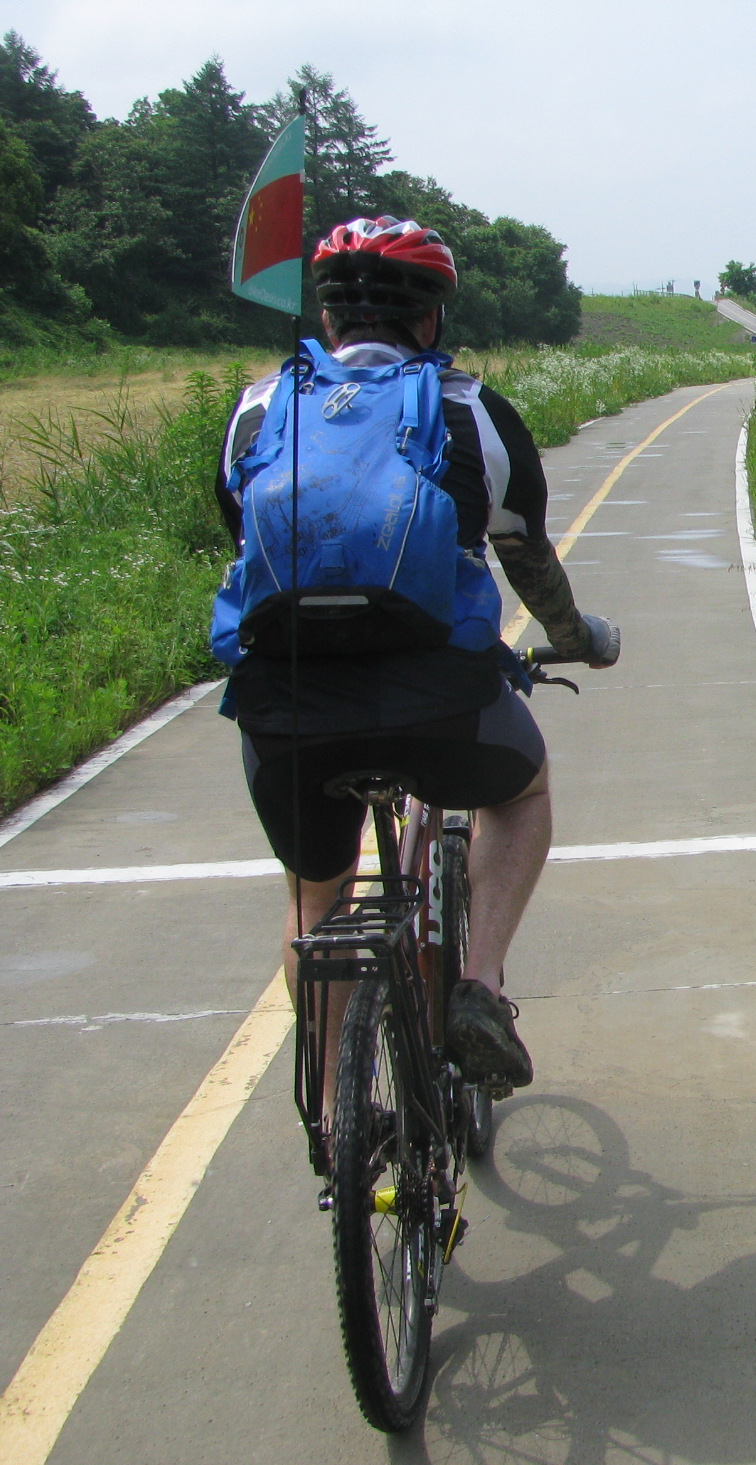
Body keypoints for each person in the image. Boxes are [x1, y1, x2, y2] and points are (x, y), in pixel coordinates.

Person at [213, 215, 618, 1092]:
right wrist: (576, 637)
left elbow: (242, 537)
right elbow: (528, 556)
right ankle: (476, 985)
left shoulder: (259, 409)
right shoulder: (471, 413)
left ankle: (331, 1109)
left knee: (313, 900)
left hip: (287, 705)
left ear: (327, 320)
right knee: (524, 792)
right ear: (430, 320)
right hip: (439, 697)